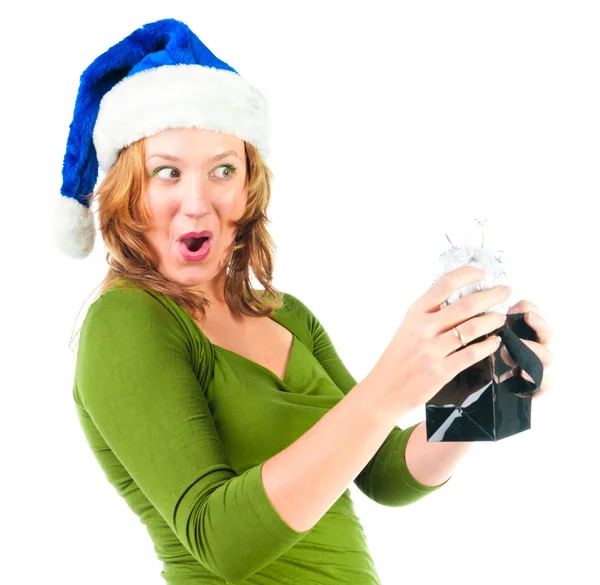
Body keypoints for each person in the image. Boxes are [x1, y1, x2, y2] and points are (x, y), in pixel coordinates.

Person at [56, 18, 553, 585]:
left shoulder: (286, 315)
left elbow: (386, 473)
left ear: (248, 187)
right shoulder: (126, 320)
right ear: (128, 192)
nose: (197, 203)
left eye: (223, 169)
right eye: (166, 172)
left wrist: (489, 387)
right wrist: (391, 384)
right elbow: (220, 540)